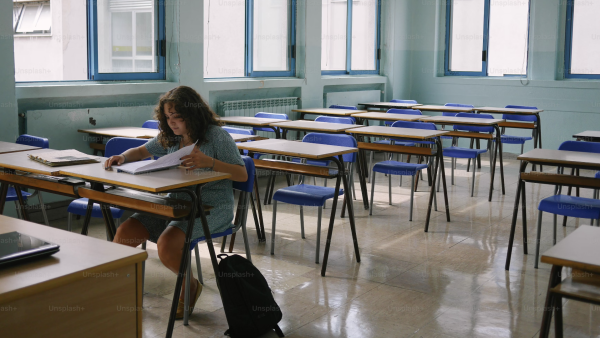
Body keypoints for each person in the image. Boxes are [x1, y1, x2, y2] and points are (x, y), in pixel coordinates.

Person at [105, 86, 247, 319]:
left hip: (211, 208)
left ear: (192, 114)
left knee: (167, 244)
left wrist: (210, 162)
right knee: (125, 231)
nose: (172, 122)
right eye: (167, 117)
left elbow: (242, 174)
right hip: (176, 203)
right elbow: (140, 151)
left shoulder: (216, 136)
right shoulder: (170, 137)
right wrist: (123, 157)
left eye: (177, 116)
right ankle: (119, 288)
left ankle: (189, 286)